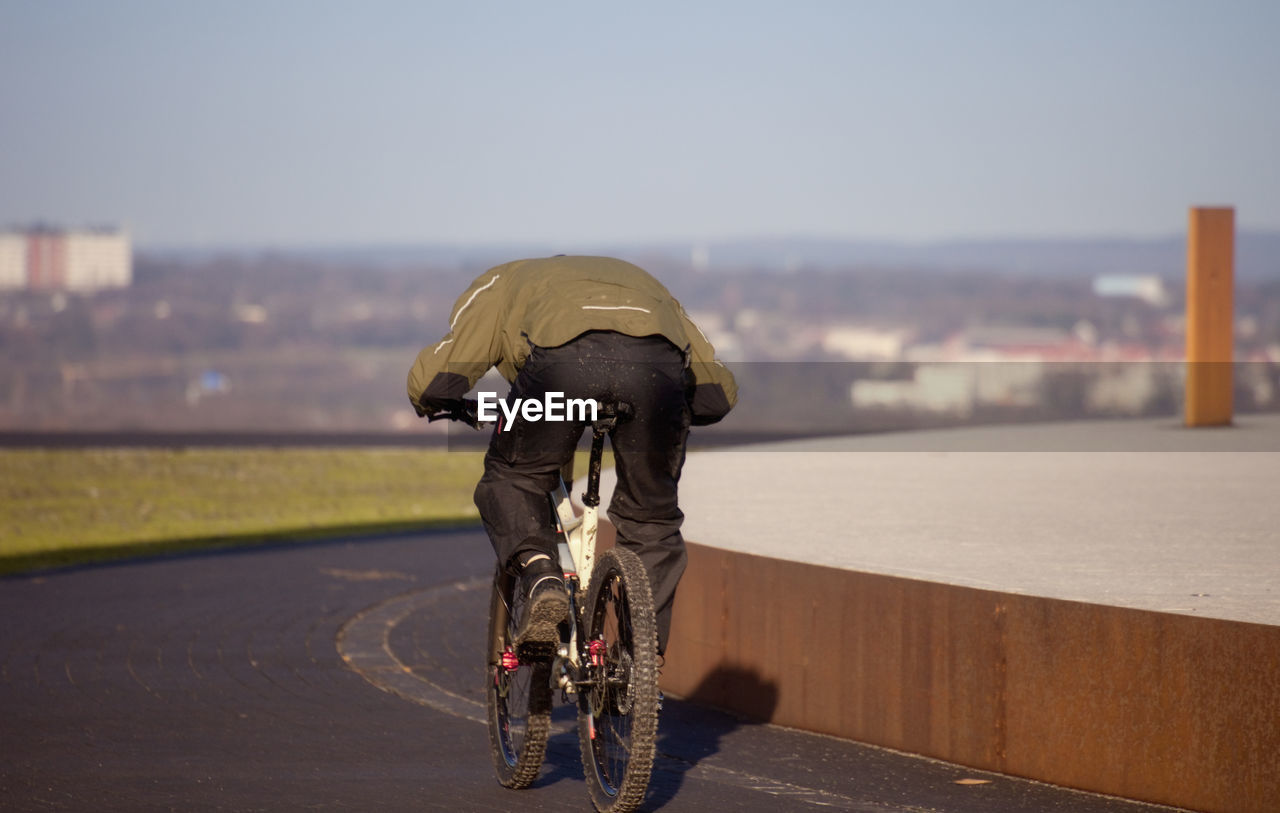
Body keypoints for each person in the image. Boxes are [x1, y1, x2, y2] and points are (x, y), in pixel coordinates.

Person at [407, 255, 736, 655]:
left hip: (562, 368)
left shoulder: (503, 283)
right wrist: (668, 415)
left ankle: (542, 575)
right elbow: (715, 395)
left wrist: (438, 401)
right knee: (653, 519)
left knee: (512, 477)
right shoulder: (647, 286)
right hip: (654, 370)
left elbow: (439, 376)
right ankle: (638, 662)